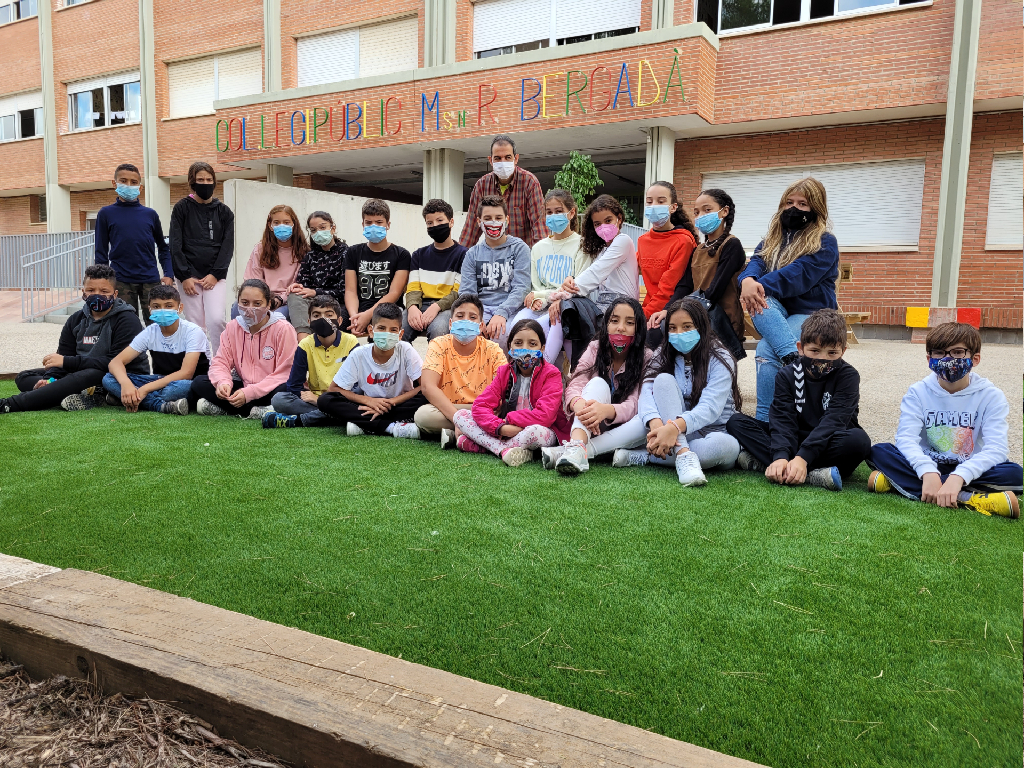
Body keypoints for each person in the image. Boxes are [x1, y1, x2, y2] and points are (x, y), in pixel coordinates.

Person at [866, 322, 1022, 518]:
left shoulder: (991, 396)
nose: (948, 359)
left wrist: (959, 476)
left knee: (1015, 474)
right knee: (879, 451)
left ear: (975, 358)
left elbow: (997, 448)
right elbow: (906, 439)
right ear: (929, 359)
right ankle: (966, 497)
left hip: (970, 466)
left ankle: (898, 482)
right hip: (928, 464)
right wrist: (927, 471)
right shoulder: (918, 392)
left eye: (957, 352)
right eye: (939, 353)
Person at [726, 308, 870, 491]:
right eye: (815, 351)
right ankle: (809, 473)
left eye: (832, 353)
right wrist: (780, 455)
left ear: (843, 351)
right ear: (800, 348)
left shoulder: (848, 376)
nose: (823, 359)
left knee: (859, 441)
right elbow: (782, 419)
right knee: (736, 422)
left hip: (829, 440)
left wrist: (803, 457)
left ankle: (779, 467)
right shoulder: (787, 374)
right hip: (794, 438)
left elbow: (834, 421)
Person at [737, 177, 839, 421]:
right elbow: (756, 263)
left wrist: (758, 286)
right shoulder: (772, 240)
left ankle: (766, 417)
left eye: (803, 204)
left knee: (765, 348)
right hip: (777, 310)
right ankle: (794, 359)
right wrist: (747, 280)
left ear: (816, 208)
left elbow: (798, 275)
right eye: (789, 202)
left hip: (812, 313)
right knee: (760, 302)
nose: (794, 208)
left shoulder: (825, 242)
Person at [613, 298, 741, 487]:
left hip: (712, 432)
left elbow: (710, 407)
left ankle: (647, 456)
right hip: (675, 434)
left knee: (727, 448)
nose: (679, 333)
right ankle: (683, 455)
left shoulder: (720, 357)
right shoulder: (663, 353)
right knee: (663, 380)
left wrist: (672, 429)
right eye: (672, 328)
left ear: (701, 327)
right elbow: (646, 393)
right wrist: (658, 427)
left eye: (687, 327)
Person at [1, 265, 145, 414]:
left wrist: (66, 362)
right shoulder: (75, 320)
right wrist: (50, 380)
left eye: (104, 291)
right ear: (83, 292)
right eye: (91, 290)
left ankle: (9, 404)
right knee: (24, 377)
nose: (97, 295)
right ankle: (75, 393)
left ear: (115, 294)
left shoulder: (127, 320)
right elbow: (64, 356)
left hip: (119, 377)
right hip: (80, 374)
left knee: (90, 374)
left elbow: (114, 362)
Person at [541, 297, 652, 476]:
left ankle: (571, 451)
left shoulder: (646, 357)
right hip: (590, 425)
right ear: (606, 325)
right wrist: (579, 404)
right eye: (614, 321)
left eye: (629, 323)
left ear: (639, 328)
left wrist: (607, 411)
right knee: (597, 383)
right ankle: (577, 446)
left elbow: (636, 403)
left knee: (644, 422)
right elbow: (576, 382)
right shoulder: (595, 347)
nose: (620, 327)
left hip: (625, 430)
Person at [451, 319, 571, 467]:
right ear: (510, 346)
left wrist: (509, 421)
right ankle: (505, 450)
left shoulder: (551, 374)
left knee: (534, 433)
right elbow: (480, 406)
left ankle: (483, 445)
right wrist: (500, 427)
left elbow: (545, 416)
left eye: (532, 344)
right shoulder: (504, 372)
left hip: (540, 430)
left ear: (542, 348)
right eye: (518, 343)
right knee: (460, 415)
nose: (525, 348)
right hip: (506, 429)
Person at [652, 188, 747, 359]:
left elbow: (715, 291)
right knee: (656, 329)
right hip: (695, 316)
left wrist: (683, 312)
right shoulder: (698, 250)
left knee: (666, 333)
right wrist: (667, 310)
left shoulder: (732, 245)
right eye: (696, 212)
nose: (701, 216)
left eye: (707, 210)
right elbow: (685, 285)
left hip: (721, 322)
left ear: (724, 211)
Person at [191, 279, 297, 419]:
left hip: (271, 388)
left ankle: (230, 409)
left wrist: (250, 393)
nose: (250, 309)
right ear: (238, 303)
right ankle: (258, 411)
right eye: (245, 303)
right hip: (244, 388)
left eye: (257, 304)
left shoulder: (283, 329)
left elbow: (285, 373)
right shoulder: (233, 327)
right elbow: (221, 362)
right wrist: (223, 383)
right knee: (199, 382)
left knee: (286, 390)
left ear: (268, 304)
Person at [317, 302, 426, 438]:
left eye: (393, 330)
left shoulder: (406, 350)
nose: (386, 334)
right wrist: (368, 401)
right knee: (325, 400)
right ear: (371, 331)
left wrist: (393, 401)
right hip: (368, 405)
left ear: (400, 334)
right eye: (381, 328)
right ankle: (391, 427)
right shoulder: (359, 354)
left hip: (399, 404)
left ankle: (364, 424)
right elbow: (334, 389)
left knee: (428, 395)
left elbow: (424, 387)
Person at [553, 194, 640, 365]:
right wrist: (570, 282)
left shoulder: (623, 241)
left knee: (569, 309)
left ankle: (579, 368)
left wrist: (564, 293)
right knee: (568, 313)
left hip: (623, 305)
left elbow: (596, 273)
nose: (603, 227)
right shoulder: (602, 250)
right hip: (603, 306)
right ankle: (577, 368)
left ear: (619, 219)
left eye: (608, 221)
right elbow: (589, 275)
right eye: (597, 224)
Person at [102, 284, 211, 415]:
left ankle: (127, 398)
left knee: (178, 389)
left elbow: (186, 373)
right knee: (108, 378)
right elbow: (115, 363)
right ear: (150, 309)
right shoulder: (150, 332)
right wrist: (126, 385)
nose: (162, 310)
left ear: (180, 308)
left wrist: (145, 389)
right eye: (156, 307)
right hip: (160, 381)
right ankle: (161, 406)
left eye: (169, 306)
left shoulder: (193, 331)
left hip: (189, 382)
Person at [509, 189, 590, 366]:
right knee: (516, 326)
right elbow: (535, 285)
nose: (554, 216)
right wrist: (536, 299)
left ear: (571, 213)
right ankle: (519, 371)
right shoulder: (538, 248)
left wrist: (544, 296)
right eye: (549, 212)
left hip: (567, 306)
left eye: (559, 211)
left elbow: (578, 286)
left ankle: (542, 371)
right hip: (541, 304)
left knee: (542, 327)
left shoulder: (582, 245)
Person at [415, 294, 507, 443]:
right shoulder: (438, 344)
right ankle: (478, 430)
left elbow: (502, 389)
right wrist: (459, 420)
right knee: (423, 416)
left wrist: (485, 410)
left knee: (508, 411)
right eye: (460, 316)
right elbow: (427, 386)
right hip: (450, 408)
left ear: (481, 326)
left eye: (472, 317)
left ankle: (458, 433)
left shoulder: (493, 349)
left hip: (483, 408)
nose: (466, 320)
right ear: (450, 323)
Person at [262, 295, 358, 429]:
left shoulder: (351, 342)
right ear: (309, 321)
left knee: (360, 395)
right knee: (279, 400)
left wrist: (320, 401)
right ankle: (341, 417)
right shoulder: (305, 345)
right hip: (313, 400)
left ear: (340, 320)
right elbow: (294, 386)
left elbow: (357, 384)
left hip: (342, 399)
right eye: (317, 315)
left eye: (329, 315)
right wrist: (316, 400)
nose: (323, 319)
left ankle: (301, 420)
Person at [94, 162, 173, 325]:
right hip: (121, 280)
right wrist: (102, 281)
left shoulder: (150, 214)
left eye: (134, 182)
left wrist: (169, 273)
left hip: (150, 279)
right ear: (114, 183)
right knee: (126, 326)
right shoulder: (105, 213)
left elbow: (163, 247)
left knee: (158, 326)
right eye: (123, 181)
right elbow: (101, 251)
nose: (129, 185)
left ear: (140, 187)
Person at [170, 162, 234, 355]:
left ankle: (222, 361)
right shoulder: (181, 208)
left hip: (215, 277)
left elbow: (227, 246)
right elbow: (175, 244)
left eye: (208, 179)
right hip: (189, 278)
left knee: (216, 320)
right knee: (195, 324)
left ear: (214, 182)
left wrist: (216, 274)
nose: (205, 183)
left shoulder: (224, 212)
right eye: (200, 180)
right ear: (192, 182)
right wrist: (184, 276)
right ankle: (200, 362)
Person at [458, 195, 531, 350]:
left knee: (501, 336)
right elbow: (467, 292)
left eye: (498, 218)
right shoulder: (472, 254)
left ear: (507, 220)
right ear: (479, 222)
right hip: (480, 308)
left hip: (511, 309)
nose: (493, 222)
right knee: (466, 334)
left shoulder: (519, 248)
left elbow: (521, 288)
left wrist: (502, 313)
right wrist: (475, 316)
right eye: (487, 218)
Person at [636, 181, 697, 346]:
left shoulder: (683, 241)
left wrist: (641, 316)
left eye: (661, 201)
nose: (654, 206)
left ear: (673, 207)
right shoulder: (642, 241)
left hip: (672, 309)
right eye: (649, 202)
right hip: (648, 309)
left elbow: (668, 288)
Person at [460, 134, 546, 247]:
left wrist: (539, 254)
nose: (503, 162)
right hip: (493, 254)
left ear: (516, 159)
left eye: (507, 157)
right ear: (490, 160)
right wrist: (461, 254)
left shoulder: (529, 182)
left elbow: (539, 225)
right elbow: (471, 229)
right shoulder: (482, 186)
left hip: (521, 254)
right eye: (497, 158)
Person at [344, 199, 411, 337]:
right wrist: (354, 317)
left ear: (388, 224)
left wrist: (368, 315)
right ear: (362, 224)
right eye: (368, 222)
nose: (373, 226)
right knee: (331, 323)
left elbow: (394, 293)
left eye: (379, 222)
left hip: (389, 309)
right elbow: (350, 290)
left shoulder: (402, 254)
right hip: (358, 308)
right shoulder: (353, 252)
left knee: (385, 329)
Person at [404, 198, 467, 342]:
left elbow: (458, 292)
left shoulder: (463, 254)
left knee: (439, 330)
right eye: (429, 223)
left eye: (440, 220)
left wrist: (436, 307)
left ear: (451, 222)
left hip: (448, 307)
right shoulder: (418, 255)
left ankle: (436, 358)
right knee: (397, 328)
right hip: (421, 305)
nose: (435, 226)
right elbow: (413, 288)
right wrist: (412, 307)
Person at [287, 211, 348, 340]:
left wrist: (316, 292)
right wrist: (297, 287)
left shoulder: (346, 253)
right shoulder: (310, 256)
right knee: (294, 295)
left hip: (336, 301)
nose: (318, 232)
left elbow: (344, 291)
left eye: (322, 227)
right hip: (313, 300)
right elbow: (303, 283)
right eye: (314, 230)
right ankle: (304, 341)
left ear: (333, 228)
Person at [240, 204, 308, 319]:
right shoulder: (260, 249)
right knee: (236, 310)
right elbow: (253, 280)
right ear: (270, 226)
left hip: (289, 301)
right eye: (276, 222)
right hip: (262, 299)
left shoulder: (303, 251)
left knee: (275, 317)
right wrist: (264, 300)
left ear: (294, 224)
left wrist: (280, 299)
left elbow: (299, 285)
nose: (281, 226)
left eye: (286, 222)